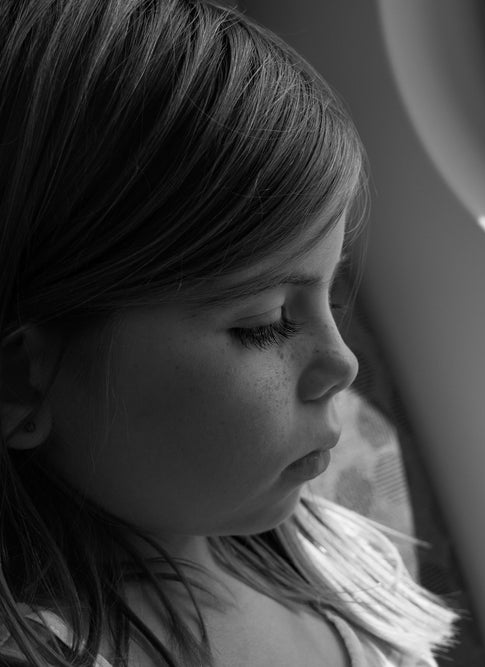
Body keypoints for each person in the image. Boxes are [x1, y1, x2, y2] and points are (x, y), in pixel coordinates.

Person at [0, 0, 457, 665]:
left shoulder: (343, 555)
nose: (343, 363)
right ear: (23, 380)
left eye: (330, 292)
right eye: (265, 323)